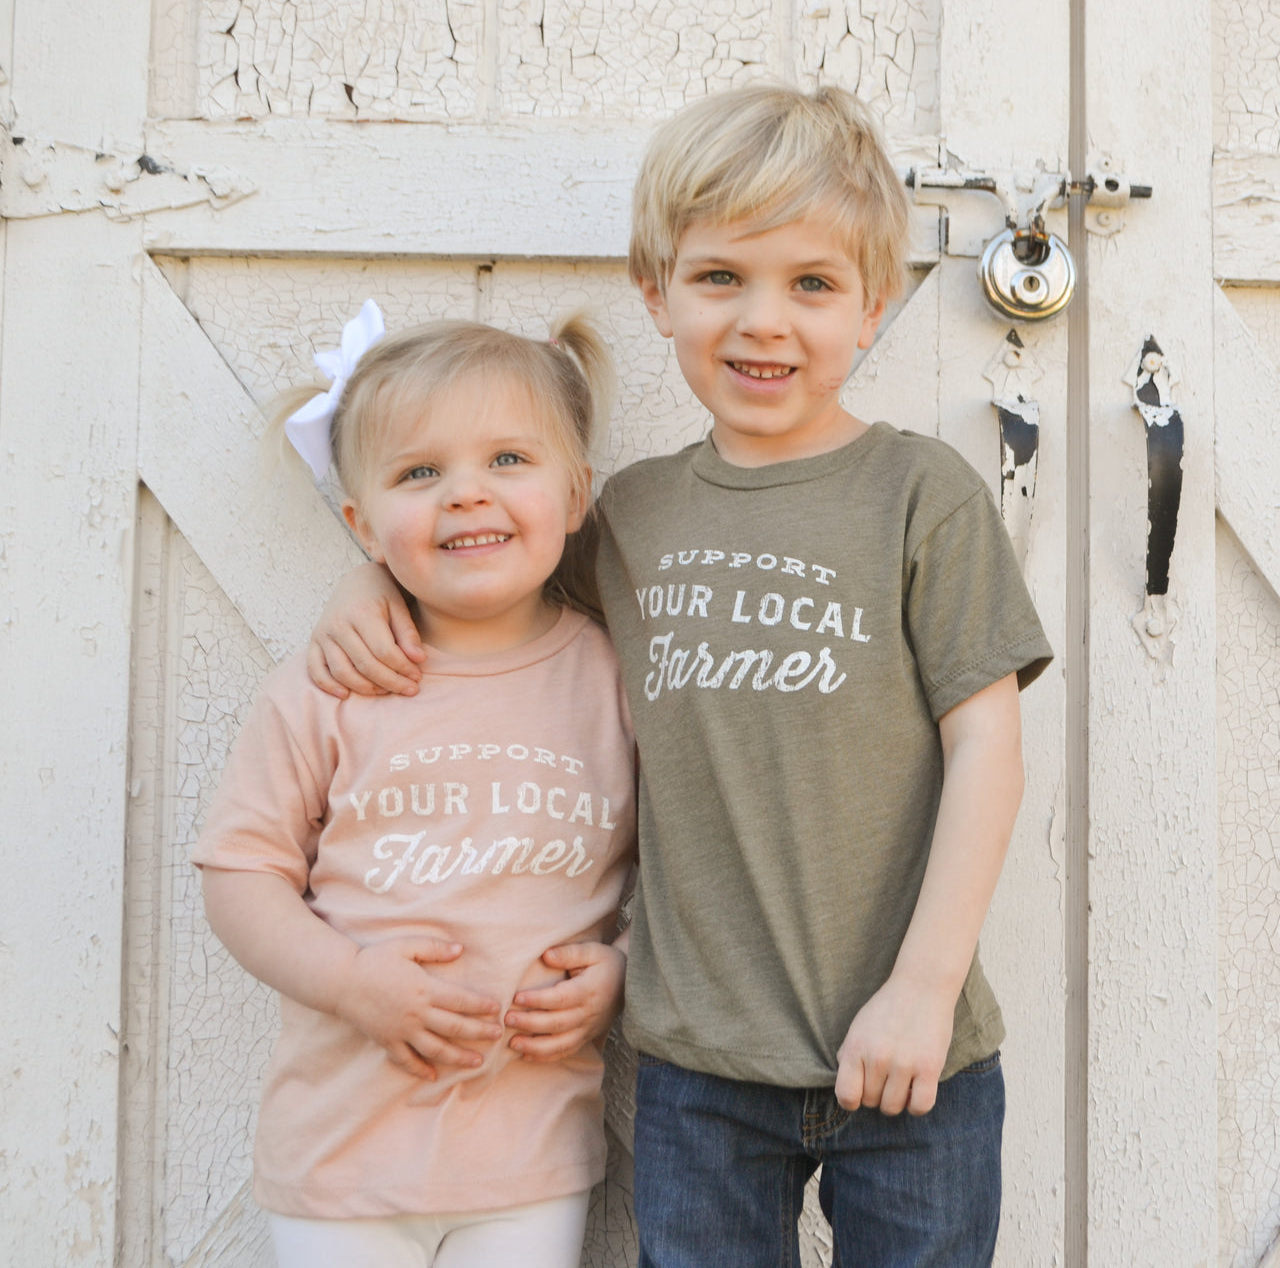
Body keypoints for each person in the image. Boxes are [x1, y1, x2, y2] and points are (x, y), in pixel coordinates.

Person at [306, 86, 1054, 1267]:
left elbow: (986, 746)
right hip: (698, 1064)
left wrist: (923, 981)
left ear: (872, 306)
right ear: (654, 292)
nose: (764, 321)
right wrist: (372, 585)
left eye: (811, 284)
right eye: (720, 278)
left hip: (914, 1049)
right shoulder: (635, 515)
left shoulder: (919, 497)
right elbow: (485, 574)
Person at [193, 302, 637, 1268]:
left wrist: (628, 971)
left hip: (527, 1158)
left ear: (576, 496)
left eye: (508, 461)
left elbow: (698, 852)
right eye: (419, 473)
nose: (465, 495)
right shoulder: (329, 688)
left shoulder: (614, 681)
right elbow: (239, 873)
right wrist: (350, 982)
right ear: (361, 522)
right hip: (341, 1156)